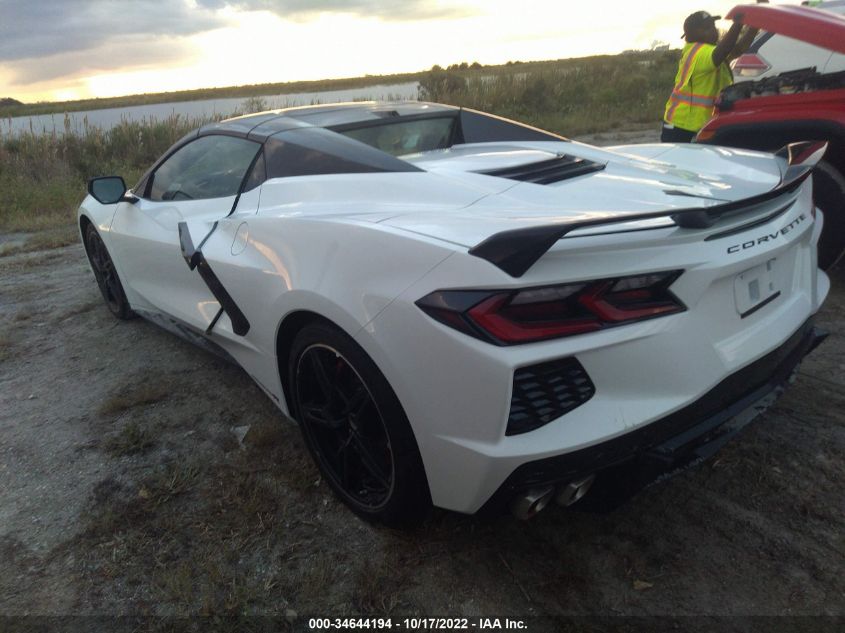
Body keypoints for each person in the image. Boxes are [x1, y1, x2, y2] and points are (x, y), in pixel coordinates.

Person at [661, 3, 767, 142]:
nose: (713, 31)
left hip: (697, 124)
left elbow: (738, 49)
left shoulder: (709, 50)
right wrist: (737, 24)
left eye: (713, 26)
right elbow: (723, 51)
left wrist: (754, 24)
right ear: (692, 34)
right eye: (707, 28)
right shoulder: (697, 53)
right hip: (682, 126)